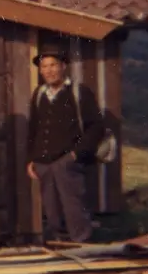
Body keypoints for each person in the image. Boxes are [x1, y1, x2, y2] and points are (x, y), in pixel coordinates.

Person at [26, 41, 103, 244]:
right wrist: (32, 160)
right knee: (52, 211)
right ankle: (61, 247)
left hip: (67, 163)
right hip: (44, 164)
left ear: (63, 66)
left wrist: (75, 155)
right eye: (44, 67)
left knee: (74, 209)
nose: (48, 71)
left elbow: (96, 127)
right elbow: (33, 129)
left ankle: (82, 248)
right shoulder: (39, 95)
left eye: (53, 65)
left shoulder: (80, 93)